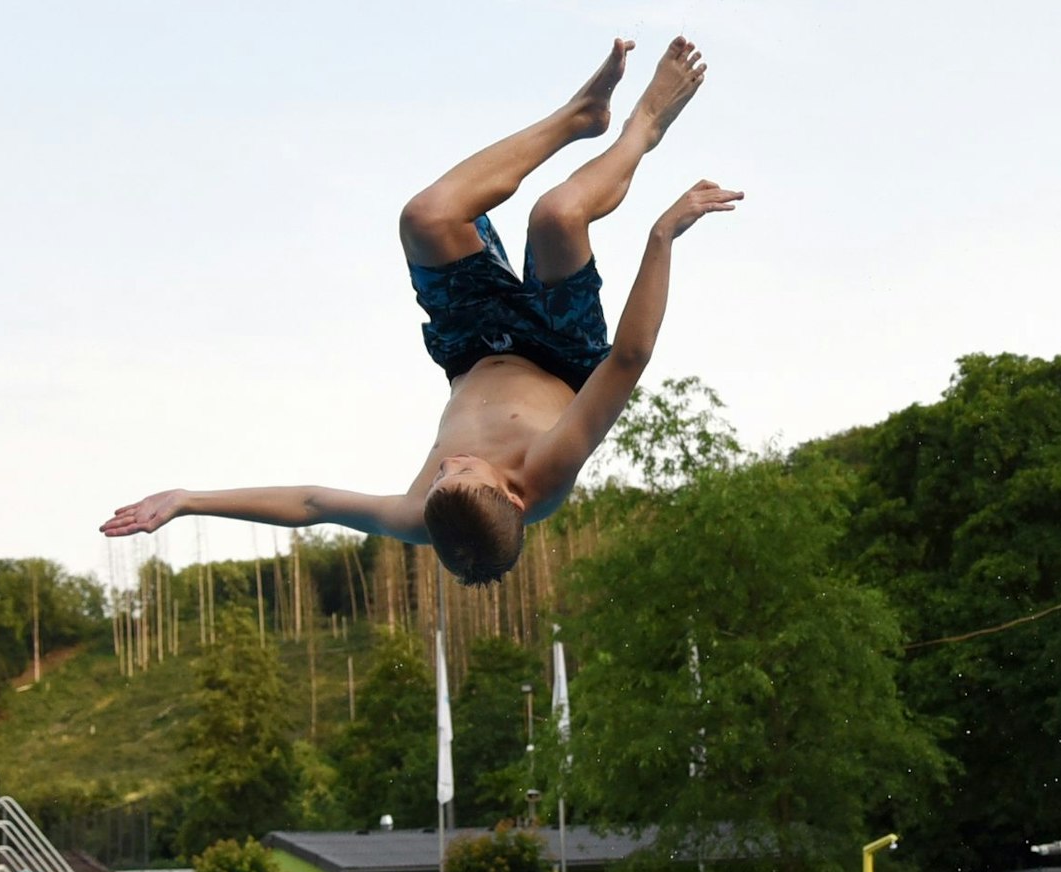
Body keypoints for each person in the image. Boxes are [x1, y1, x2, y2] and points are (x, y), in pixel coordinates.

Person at [102, 37, 736, 588]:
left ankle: (577, 116)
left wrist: (188, 501)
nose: (444, 466)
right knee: (557, 216)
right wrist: (661, 236)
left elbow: (311, 502)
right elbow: (629, 358)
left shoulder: (423, 515)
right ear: (511, 495)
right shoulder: (547, 471)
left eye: (438, 480)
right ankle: (642, 127)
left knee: (425, 218)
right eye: (459, 472)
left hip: (469, 343)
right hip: (561, 346)